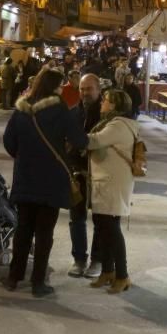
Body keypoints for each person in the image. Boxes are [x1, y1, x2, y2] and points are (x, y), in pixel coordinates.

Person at [2, 69, 88, 297]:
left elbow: (9, 143)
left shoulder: (21, 109)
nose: (62, 90)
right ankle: (38, 282)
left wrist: (25, 155)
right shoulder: (59, 109)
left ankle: (14, 277)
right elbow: (80, 140)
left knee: (22, 230)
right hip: (51, 180)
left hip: (25, 177)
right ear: (53, 87)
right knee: (44, 233)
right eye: (60, 86)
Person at [86, 88, 139, 294]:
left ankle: (122, 275)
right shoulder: (111, 123)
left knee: (111, 229)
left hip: (113, 183)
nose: (102, 103)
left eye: (105, 100)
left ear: (114, 105)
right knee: (103, 227)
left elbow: (95, 140)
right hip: (105, 181)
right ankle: (107, 271)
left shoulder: (118, 125)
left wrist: (72, 134)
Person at [68, 73, 104, 278]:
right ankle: (79, 259)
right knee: (77, 218)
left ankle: (97, 260)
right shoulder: (73, 113)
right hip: (77, 173)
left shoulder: (106, 114)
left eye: (89, 89)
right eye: (82, 89)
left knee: (100, 218)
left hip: (100, 174)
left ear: (98, 90)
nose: (84, 93)